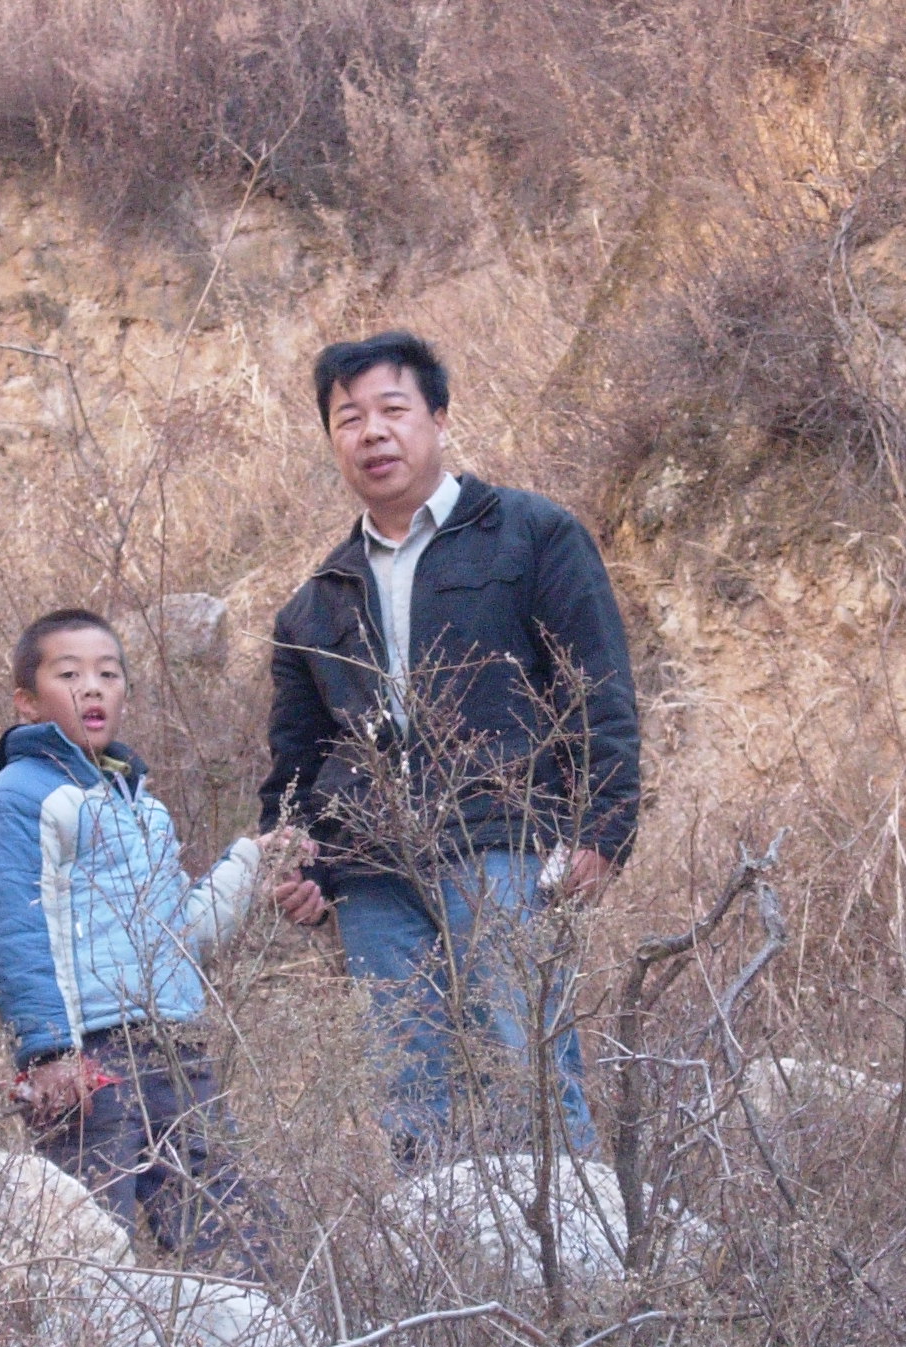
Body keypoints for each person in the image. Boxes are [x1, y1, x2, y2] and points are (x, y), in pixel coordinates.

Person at [258, 330, 642, 1160]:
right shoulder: (316, 602)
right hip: (372, 877)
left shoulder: (532, 534)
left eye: (393, 409)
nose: (372, 433)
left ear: (438, 415)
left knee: (531, 1067)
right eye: (348, 419)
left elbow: (597, 684)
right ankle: (435, 1233)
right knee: (410, 1093)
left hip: (502, 844)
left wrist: (605, 826)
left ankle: (572, 1237)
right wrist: (302, 866)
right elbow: (297, 764)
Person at [0, 607, 270, 1271]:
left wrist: (254, 862)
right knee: (90, 1252)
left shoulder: (143, 808)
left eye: (108, 673)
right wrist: (50, 1051)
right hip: (89, 1065)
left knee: (233, 1238)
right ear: (26, 701)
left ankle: (252, 1335)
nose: (93, 687)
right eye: (69, 674)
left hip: (175, 1049)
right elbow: (10, 931)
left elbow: (183, 933)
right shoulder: (16, 800)